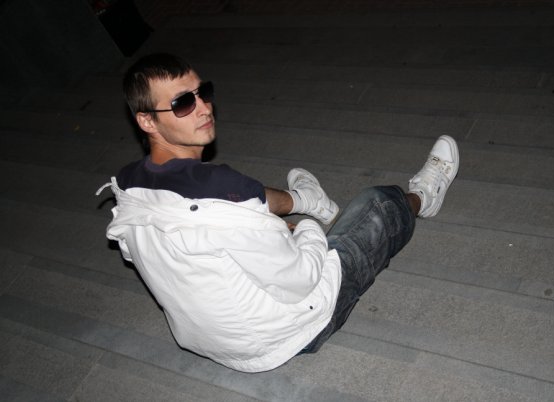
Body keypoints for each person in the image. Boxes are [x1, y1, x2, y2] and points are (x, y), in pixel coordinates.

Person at [97, 53, 459, 373]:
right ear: (147, 121)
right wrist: (305, 230)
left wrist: (276, 220)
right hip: (287, 336)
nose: (204, 108)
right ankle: (424, 197)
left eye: (202, 92)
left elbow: (225, 209)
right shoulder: (222, 194)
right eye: (182, 103)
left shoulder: (130, 186)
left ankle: (304, 197)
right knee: (377, 204)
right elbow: (301, 279)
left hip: (208, 341)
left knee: (247, 201)